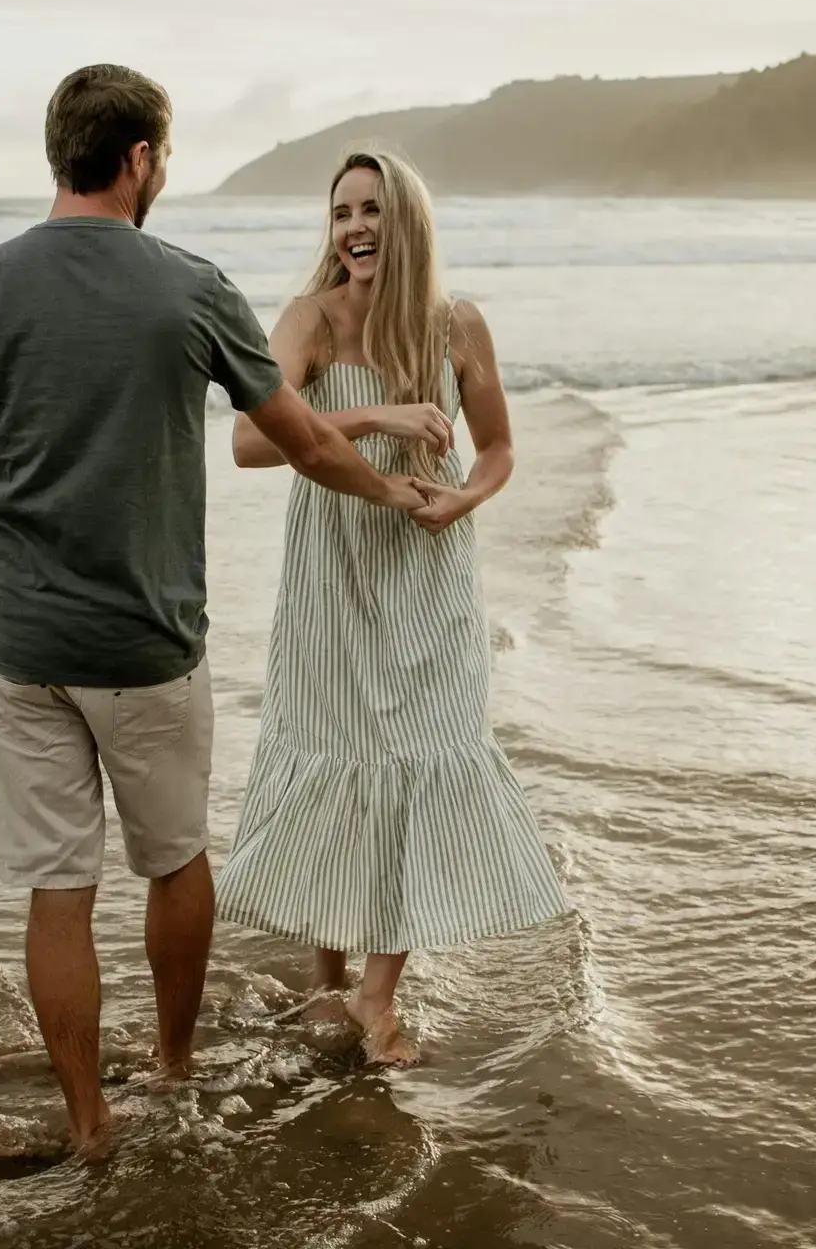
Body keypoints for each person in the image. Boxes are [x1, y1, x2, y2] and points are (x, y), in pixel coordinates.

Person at [0, 69, 424, 1151]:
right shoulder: (192, 287)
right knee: (174, 861)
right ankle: (171, 1069)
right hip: (150, 647)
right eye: (162, 158)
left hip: (21, 651)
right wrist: (393, 486)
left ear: (57, 156)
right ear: (140, 161)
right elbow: (303, 439)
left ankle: (88, 1122)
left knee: (57, 894)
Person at [216, 150, 568, 1065]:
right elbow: (252, 441)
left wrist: (466, 498)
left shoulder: (457, 325)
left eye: (371, 209)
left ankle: (377, 997)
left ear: (406, 221)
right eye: (341, 214)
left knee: (418, 756)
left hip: (427, 564)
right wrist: (380, 417)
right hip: (335, 569)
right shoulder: (311, 320)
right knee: (333, 753)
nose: (355, 228)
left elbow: (495, 450)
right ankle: (325, 982)